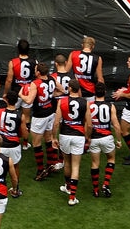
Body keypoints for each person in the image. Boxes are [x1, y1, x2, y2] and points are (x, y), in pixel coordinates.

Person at [52, 78, 92, 206]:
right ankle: (72, 197)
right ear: (79, 89)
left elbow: (56, 122)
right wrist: (88, 137)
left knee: (67, 162)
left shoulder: (62, 101)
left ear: (69, 88)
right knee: (76, 166)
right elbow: (89, 124)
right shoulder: (85, 103)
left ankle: (67, 187)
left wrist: (54, 137)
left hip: (65, 135)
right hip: (79, 135)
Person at [21, 62, 58, 181]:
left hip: (39, 116)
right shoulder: (52, 79)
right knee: (48, 140)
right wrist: (50, 96)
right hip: (50, 112)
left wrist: (21, 95)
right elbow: (62, 90)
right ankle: (52, 164)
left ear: (38, 73)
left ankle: (41, 170)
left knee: (37, 144)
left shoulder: (35, 83)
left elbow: (29, 101)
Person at [89, 82, 122, 198]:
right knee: (111, 159)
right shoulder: (110, 106)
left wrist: (86, 138)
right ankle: (106, 184)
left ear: (94, 92)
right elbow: (116, 125)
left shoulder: (89, 105)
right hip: (107, 137)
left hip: (94, 137)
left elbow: (86, 124)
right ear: (105, 92)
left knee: (95, 163)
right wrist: (118, 140)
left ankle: (95, 190)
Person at [3, 39, 37, 150]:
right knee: (26, 117)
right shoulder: (34, 62)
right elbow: (36, 77)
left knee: (11, 114)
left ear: (18, 49)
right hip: (28, 92)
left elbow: (9, 79)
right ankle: (25, 143)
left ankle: (9, 137)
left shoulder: (13, 62)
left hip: (16, 92)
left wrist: (5, 93)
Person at [0, 90, 26, 197]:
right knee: (15, 166)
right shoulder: (21, 116)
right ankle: (15, 190)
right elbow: (24, 134)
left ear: (6, 100)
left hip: (1, 145)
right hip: (14, 146)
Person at [68, 36, 104, 102]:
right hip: (90, 90)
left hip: (75, 89)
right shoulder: (97, 58)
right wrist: (102, 92)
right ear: (93, 46)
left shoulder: (73, 54)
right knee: (89, 111)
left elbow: (66, 71)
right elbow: (100, 79)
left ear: (82, 45)